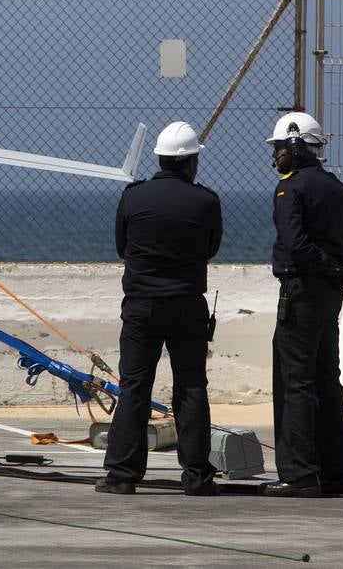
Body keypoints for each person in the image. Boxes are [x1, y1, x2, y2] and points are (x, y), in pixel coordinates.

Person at [96, 120, 222, 496]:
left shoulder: (132, 196)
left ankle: (122, 474)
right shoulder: (206, 200)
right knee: (192, 387)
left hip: (141, 307)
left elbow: (122, 247)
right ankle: (197, 475)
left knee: (134, 387)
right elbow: (210, 249)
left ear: (161, 159)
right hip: (187, 305)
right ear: (190, 162)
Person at [261, 111, 343, 497]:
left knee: (295, 383)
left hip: (301, 291)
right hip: (329, 296)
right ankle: (336, 473)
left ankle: (299, 474)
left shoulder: (290, 188)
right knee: (327, 381)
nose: (275, 156)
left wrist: (331, 271)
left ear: (293, 145)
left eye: (278, 148)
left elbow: (296, 244)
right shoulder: (336, 187)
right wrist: (341, 272)